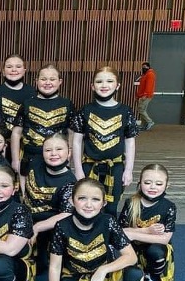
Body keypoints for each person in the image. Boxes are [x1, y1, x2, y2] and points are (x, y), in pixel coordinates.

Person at [71, 66, 139, 215]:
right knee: (87, 205)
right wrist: (78, 169)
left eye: (109, 81)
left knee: (111, 207)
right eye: (99, 81)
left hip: (115, 167)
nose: (104, 85)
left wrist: (128, 170)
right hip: (89, 166)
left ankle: (108, 230)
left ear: (117, 85)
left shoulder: (125, 111)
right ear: (92, 86)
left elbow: (130, 142)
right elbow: (76, 142)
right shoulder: (85, 110)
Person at [119, 163, 178, 281]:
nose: (152, 187)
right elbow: (120, 231)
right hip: (133, 248)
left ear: (166, 186)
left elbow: (165, 239)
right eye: (147, 183)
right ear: (140, 184)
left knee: (156, 251)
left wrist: (133, 234)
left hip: (155, 248)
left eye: (158, 184)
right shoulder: (131, 203)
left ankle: (155, 279)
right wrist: (146, 230)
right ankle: (133, 274)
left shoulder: (169, 207)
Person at [21, 132, 76, 271]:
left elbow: (66, 214)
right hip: (25, 218)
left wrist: (37, 227)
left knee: (41, 267)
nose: (53, 154)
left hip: (49, 227)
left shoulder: (70, 182)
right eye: (48, 150)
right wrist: (22, 193)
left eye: (59, 149)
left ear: (69, 153)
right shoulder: (34, 161)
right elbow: (22, 173)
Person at [10, 64, 73, 175]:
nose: (47, 82)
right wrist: (15, 160)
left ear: (60, 82)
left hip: (57, 158)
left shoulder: (67, 104)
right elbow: (16, 133)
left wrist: (69, 155)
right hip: (30, 158)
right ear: (36, 81)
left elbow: (71, 133)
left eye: (52, 79)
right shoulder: (27, 103)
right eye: (43, 79)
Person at [0, 54, 36, 138]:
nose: (14, 70)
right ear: (3, 71)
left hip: (26, 140)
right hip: (0, 139)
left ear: (24, 71)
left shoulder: (33, 92)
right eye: (9, 67)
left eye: (18, 67)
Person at [136, 62, 156, 131]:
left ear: (148, 67)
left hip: (146, 96)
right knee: (142, 110)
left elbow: (149, 85)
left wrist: (145, 94)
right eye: (142, 67)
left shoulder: (150, 74)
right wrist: (138, 95)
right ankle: (144, 125)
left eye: (145, 67)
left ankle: (149, 121)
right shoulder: (145, 74)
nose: (143, 68)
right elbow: (142, 86)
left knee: (141, 109)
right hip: (143, 95)